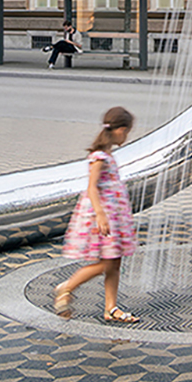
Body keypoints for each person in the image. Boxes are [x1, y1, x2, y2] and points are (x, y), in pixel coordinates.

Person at [54, 106, 138, 323]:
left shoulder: (108, 154)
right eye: (127, 131)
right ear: (119, 130)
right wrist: (101, 214)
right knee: (107, 263)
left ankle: (111, 308)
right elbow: (92, 187)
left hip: (114, 216)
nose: (126, 136)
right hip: (104, 217)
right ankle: (67, 287)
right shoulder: (99, 156)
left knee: (115, 261)